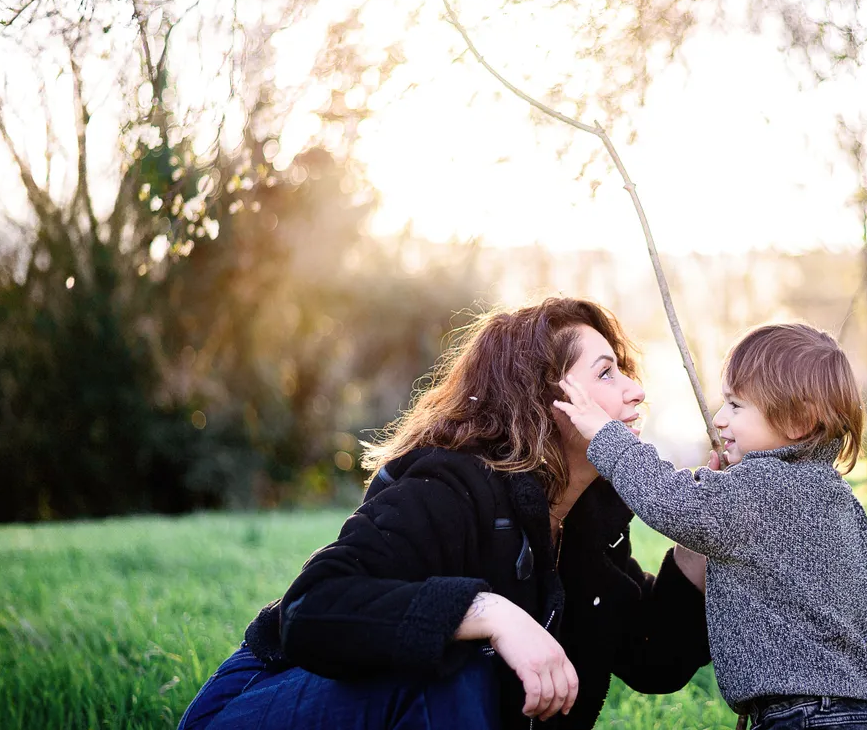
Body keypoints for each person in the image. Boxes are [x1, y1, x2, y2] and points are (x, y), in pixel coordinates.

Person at [178, 297, 711, 730]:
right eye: (606, 373)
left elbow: (651, 655)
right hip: (254, 705)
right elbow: (311, 609)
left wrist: (704, 535)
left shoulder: (587, 523)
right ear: (547, 399)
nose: (636, 389)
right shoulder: (451, 485)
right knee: (462, 662)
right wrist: (491, 614)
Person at [554, 322, 867, 730]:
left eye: (736, 406)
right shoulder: (838, 498)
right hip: (848, 712)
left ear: (798, 421)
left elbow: (670, 502)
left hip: (799, 717)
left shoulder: (765, 488)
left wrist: (609, 439)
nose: (720, 419)